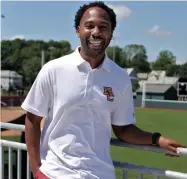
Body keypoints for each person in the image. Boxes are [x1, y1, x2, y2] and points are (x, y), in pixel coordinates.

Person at [21, 1, 185, 179]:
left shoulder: (120, 77)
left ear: (111, 33)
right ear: (78, 30)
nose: (96, 32)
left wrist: (157, 139)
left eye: (103, 27)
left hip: (100, 174)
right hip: (55, 174)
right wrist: (36, 168)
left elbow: (124, 130)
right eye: (89, 26)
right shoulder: (53, 69)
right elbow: (32, 119)